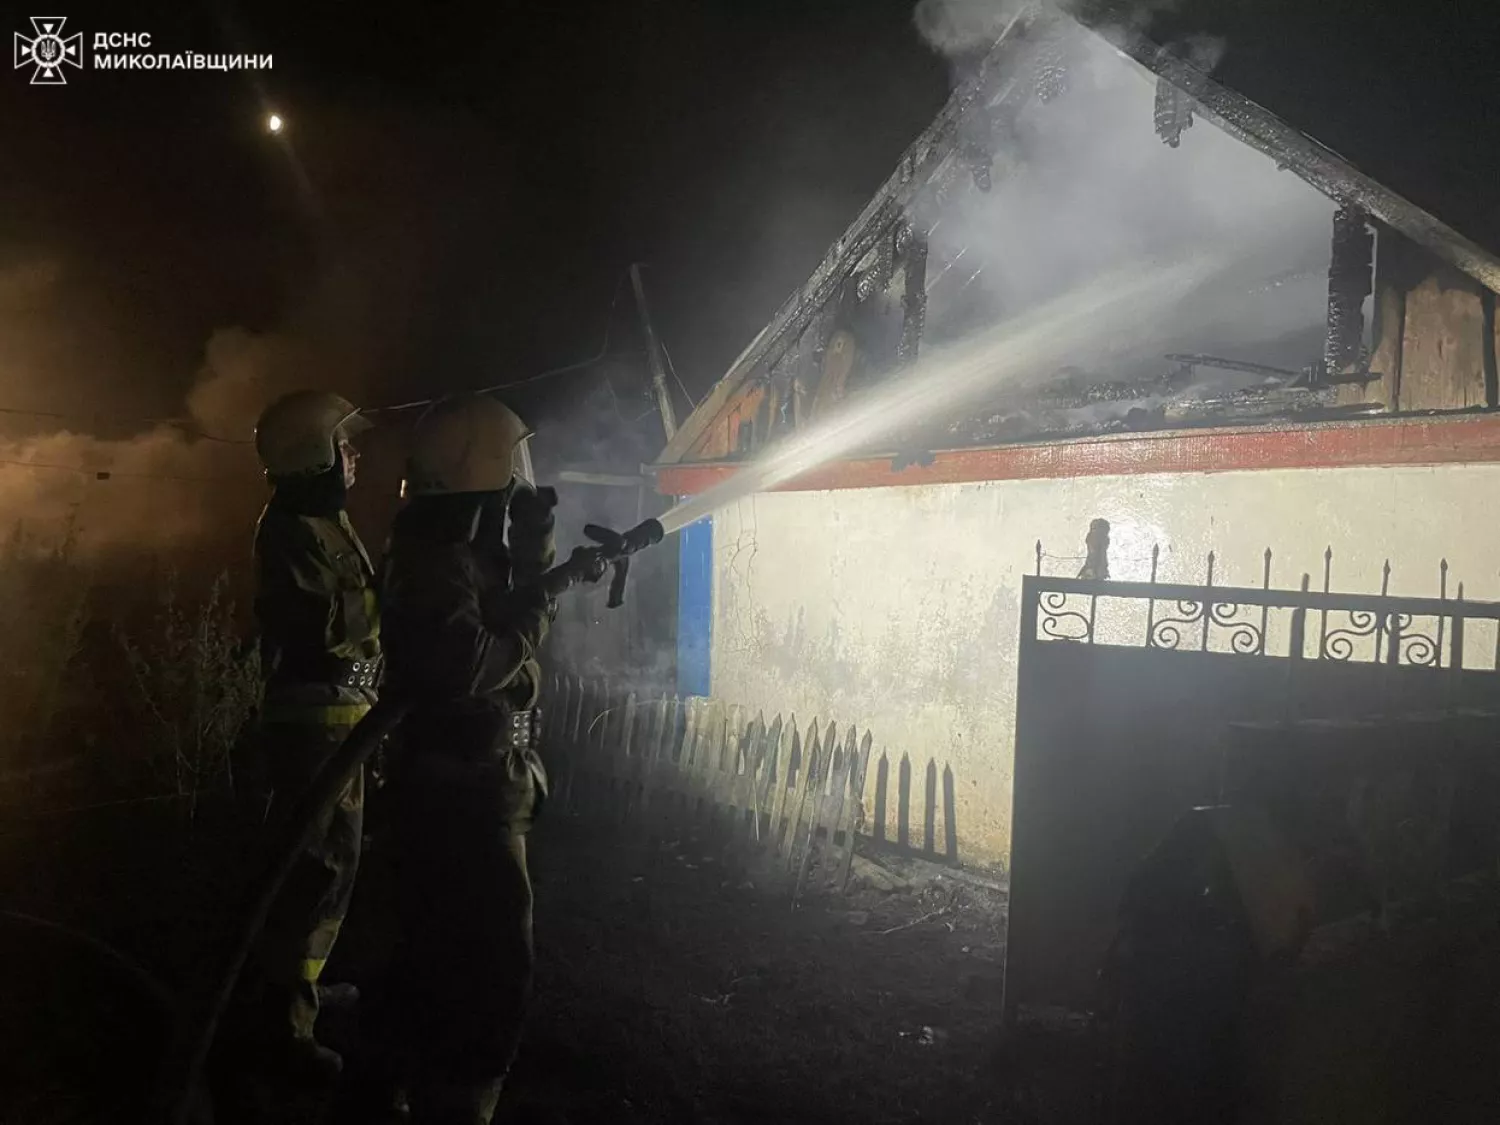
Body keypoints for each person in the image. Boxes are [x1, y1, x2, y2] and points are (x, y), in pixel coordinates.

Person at [337, 393, 605, 1125]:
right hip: (459, 795)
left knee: (431, 953)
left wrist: (536, 546)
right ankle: (452, 1101)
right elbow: (473, 661)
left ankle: (395, 1086)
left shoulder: (452, 549)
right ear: (479, 471)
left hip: (470, 785)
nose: (518, 479)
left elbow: (505, 604)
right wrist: (541, 604)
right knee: (489, 968)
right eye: (509, 467)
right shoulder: (434, 563)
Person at [230, 389, 382, 1087]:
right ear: (312, 455)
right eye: (344, 446)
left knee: (335, 866)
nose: (355, 457)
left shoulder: (326, 523)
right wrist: (394, 602)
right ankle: (286, 1026)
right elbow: (327, 629)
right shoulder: (289, 530)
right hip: (316, 723)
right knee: (314, 871)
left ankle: (307, 990)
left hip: (342, 715)